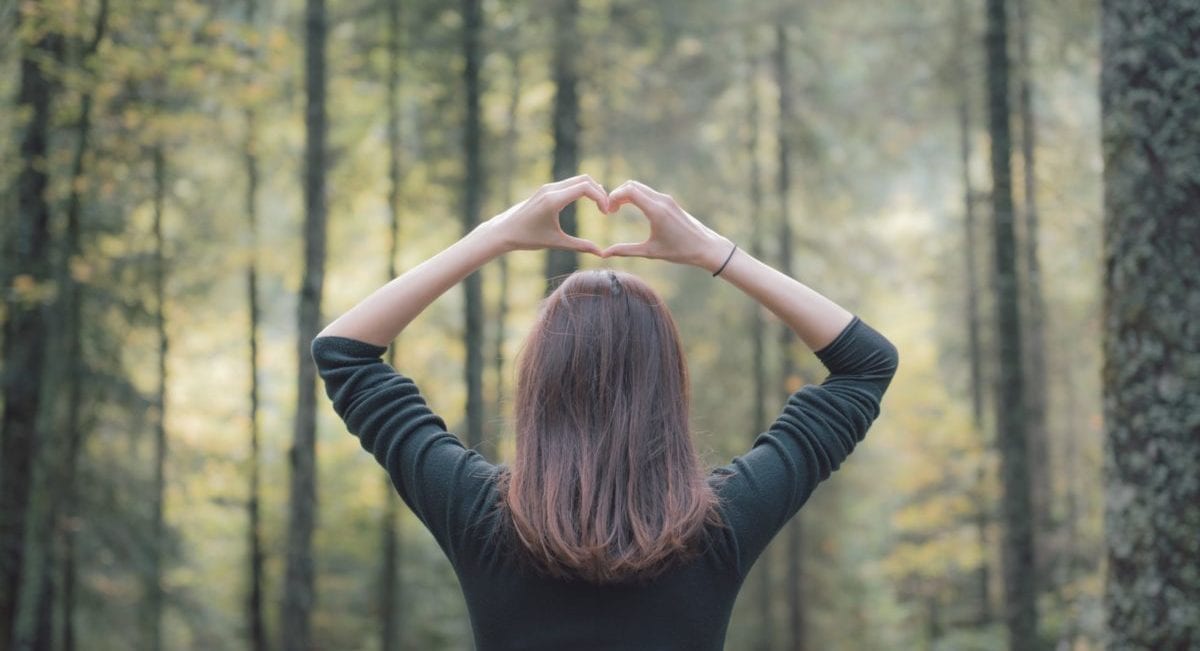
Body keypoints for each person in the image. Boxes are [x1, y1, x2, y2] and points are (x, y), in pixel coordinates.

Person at [312, 175, 899, 650]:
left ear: (537, 382)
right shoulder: (721, 525)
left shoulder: (481, 515)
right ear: (669, 383)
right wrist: (713, 252)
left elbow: (344, 353)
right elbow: (866, 365)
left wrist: (494, 236)